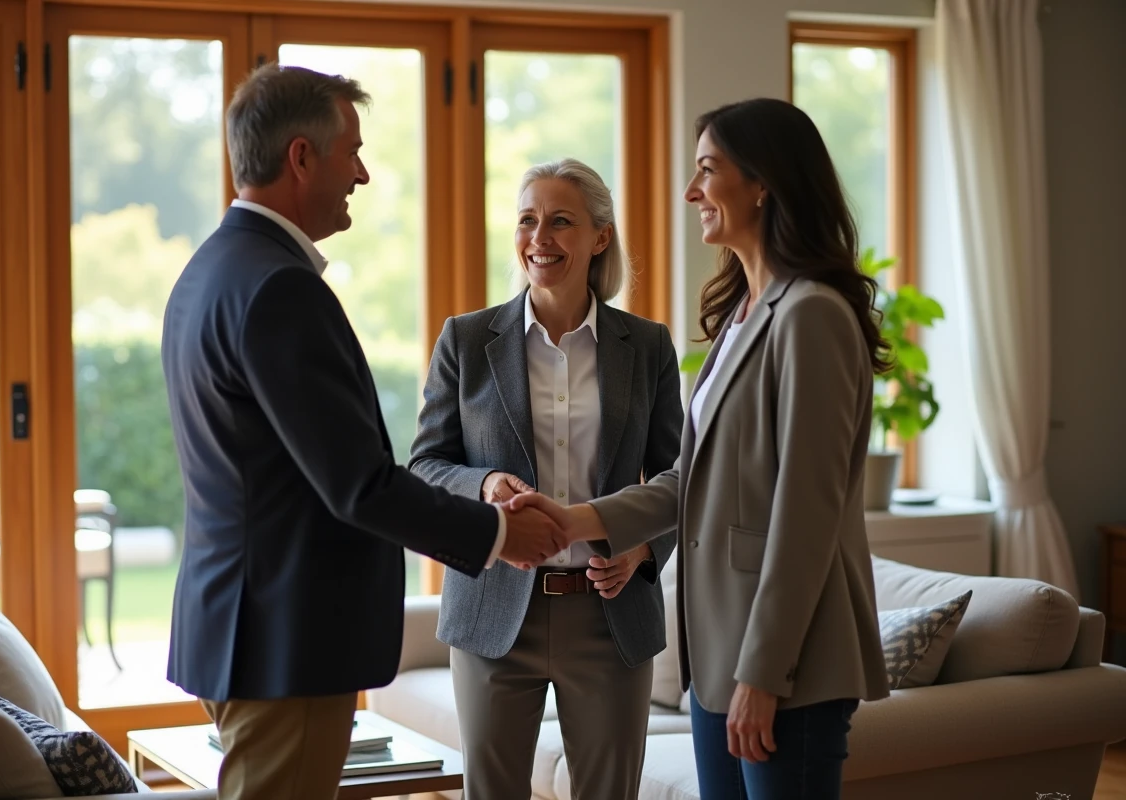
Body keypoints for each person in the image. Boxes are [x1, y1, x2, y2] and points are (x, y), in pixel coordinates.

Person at [160, 64, 564, 800]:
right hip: (286, 643)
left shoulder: (211, 270)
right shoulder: (281, 289)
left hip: (242, 628)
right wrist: (501, 534)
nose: (363, 174)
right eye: (351, 152)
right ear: (301, 157)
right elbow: (358, 485)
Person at [512, 98, 891, 800]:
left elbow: (806, 517)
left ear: (764, 183)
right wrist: (573, 521)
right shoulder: (744, 314)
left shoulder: (811, 314)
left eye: (707, 171)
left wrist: (764, 674)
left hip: (785, 666)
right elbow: (692, 478)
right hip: (722, 655)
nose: (691, 192)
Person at [409, 158, 682, 800]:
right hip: (493, 611)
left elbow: (680, 475)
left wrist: (643, 549)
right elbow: (425, 465)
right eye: (527, 220)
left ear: (600, 236)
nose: (539, 238)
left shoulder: (647, 346)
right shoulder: (465, 340)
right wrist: (484, 485)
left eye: (561, 221)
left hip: (611, 614)